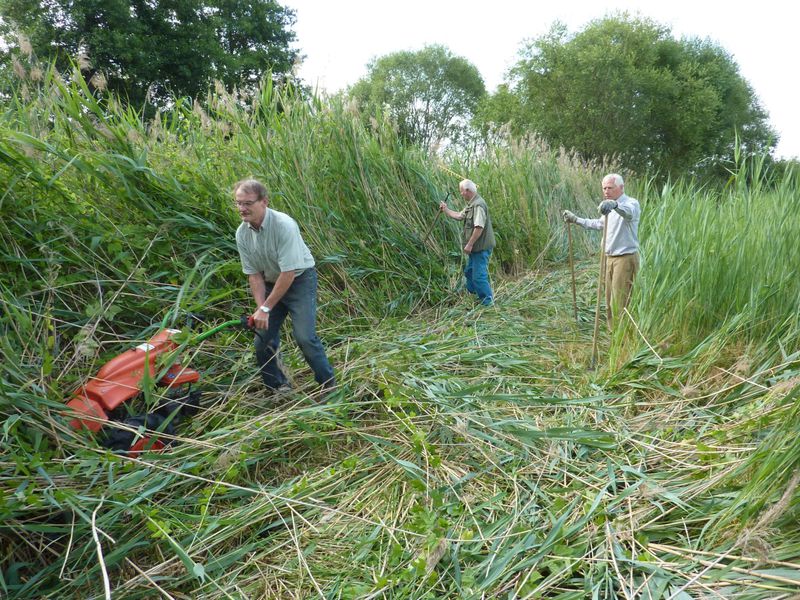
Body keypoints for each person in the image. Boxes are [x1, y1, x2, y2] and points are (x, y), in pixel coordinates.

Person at [233, 179, 335, 391]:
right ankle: (278, 387)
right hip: (270, 283)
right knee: (263, 341)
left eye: (248, 203)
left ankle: (329, 385)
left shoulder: (284, 225)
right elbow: (254, 276)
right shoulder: (242, 233)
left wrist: (267, 307)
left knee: (305, 338)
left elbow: (288, 273)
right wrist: (261, 308)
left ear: (264, 202)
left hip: (299, 281)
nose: (242, 209)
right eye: (239, 203)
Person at [562, 173, 641, 327]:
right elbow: (599, 224)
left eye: (610, 188)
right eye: (604, 188)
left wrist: (615, 206)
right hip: (608, 258)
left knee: (620, 300)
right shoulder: (608, 207)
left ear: (621, 187)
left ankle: (623, 337)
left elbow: (628, 214)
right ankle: (614, 334)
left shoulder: (631, 203)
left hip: (624, 258)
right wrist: (576, 219)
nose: (606, 191)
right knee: (609, 299)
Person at [439, 179, 496, 306]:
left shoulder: (478, 205)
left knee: (479, 276)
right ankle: (476, 294)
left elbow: (479, 227)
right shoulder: (471, 204)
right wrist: (446, 209)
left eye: (461, 191)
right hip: (475, 248)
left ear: (468, 191)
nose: (461, 194)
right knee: (469, 272)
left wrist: (469, 244)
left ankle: (488, 303)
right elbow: (459, 216)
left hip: (481, 248)